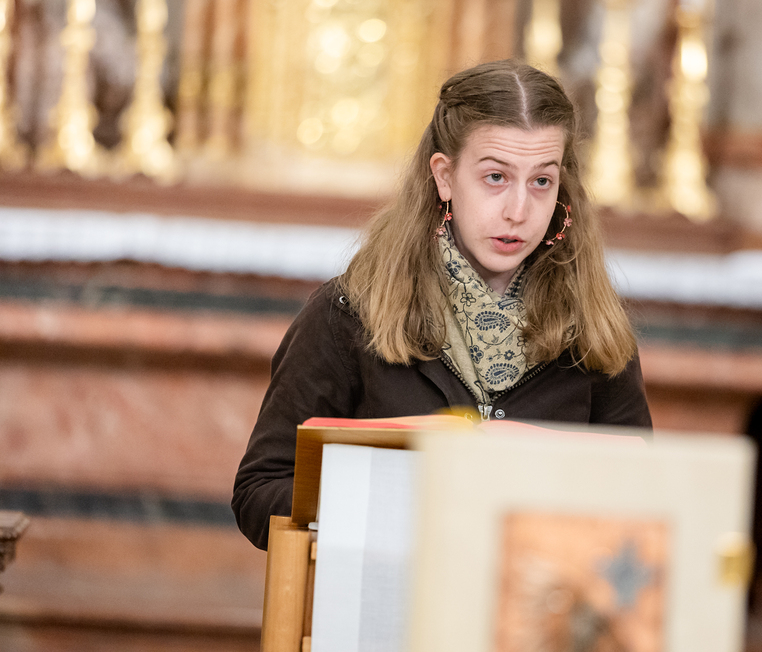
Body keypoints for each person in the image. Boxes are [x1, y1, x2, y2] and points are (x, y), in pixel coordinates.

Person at [232, 60, 653, 550]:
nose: (519, 211)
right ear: (445, 176)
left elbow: (643, 497)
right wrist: (392, 504)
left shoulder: (593, 327)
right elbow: (259, 492)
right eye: (495, 177)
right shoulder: (348, 313)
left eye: (541, 181)